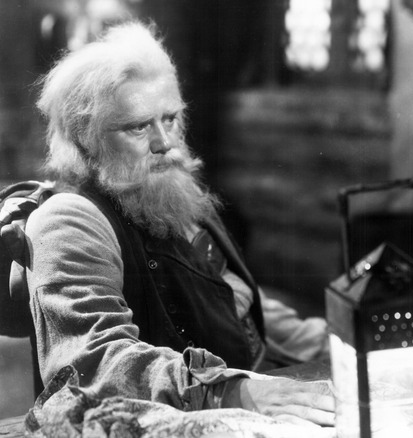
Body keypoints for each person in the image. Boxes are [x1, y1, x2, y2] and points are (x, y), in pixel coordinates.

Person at [19, 20, 334, 430]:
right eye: (138, 126)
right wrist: (231, 390)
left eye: (170, 119)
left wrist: (336, 341)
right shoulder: (70, 221)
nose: (164, 142)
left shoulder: (170, 192)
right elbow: (97, 361)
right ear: (86, 138)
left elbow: (230, 300)